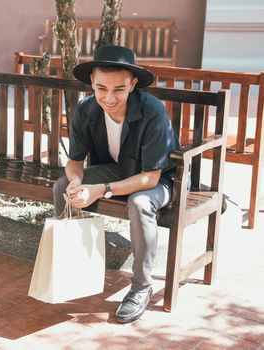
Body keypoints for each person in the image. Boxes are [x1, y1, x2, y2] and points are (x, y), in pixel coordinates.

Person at [53, 45, 179, 323]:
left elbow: (150, 178)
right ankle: (71, 267)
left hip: (162, 178)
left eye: (119, 90)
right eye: (101, 89)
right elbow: (75, 161)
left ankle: (141, 287)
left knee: (140, 202)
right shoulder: (86, 109)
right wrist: (76, 182)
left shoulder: (152, 111)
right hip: (116, 170)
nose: (109, 98)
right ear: (92, 84)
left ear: (133, 84)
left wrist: (100, 190)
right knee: (62, 187)